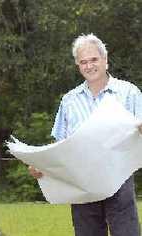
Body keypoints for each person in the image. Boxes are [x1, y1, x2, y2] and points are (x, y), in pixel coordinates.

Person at [29, 33, 142, 236]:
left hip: (119, 180)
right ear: (78, 66)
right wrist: (42, 166)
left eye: (94, 60)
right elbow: (59, 148)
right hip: (81, 184)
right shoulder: (69, 101)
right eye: (83, 62)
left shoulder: (130, 93)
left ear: (106, 61)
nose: (89, 66)